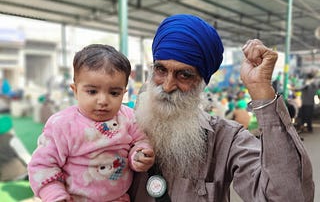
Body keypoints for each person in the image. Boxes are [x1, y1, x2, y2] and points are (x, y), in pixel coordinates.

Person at [129, 14, 314, 201]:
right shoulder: (122, 124)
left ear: (202, 83)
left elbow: (288, 197)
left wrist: (261, 90)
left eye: (184, 75)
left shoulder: (226, 138)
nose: (168, 86)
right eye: (161, 70)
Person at [28, 44, 155, 202]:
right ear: (75, 90)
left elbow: (140, 141)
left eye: (114, 93)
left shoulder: (128, 118)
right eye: (92, 91)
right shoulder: (62, 124)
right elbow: (42, 165)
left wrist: (139, 155)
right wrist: (54, 195)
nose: (103, 101)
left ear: (124, 93)